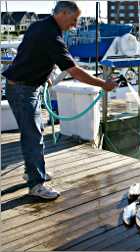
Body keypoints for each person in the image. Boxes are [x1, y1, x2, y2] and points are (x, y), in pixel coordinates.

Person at [2, 1, 118, 200]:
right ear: (63, 13)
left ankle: (33, 172)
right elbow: (73, 70)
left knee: (34, 133)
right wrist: (103, 84)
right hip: (22, 89)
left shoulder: (39, 26)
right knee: (32, 136)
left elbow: (28, 52)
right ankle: (36, 184)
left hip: (23, 86)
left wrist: (44, 73)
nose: (74, 25)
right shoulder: (51, 35)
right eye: (74, 20)